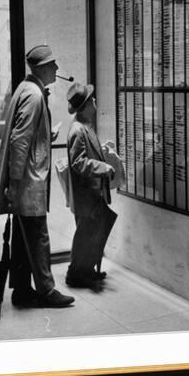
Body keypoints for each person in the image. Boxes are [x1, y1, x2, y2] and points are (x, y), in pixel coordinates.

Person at [0, 45, 75, 308]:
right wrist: (14, 186)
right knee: (38, 237)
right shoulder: (35, 96)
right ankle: (47, 291)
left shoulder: (25, 89)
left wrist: (48, 135)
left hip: (25, 181)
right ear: (43, 68)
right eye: (54, 65)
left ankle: (23, 289)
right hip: (27, 183)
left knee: (23, 239)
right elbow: (19, 141)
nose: (57, 69)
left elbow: (27, 136)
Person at [65, 83, 118, 289]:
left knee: (90, 232)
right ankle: (76, 274)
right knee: (84, 234)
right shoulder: (78, 130)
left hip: (91, 192)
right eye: (92, 100)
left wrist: (101, 151)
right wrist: (102, 166)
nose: (95, 101)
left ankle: (85, 271)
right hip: (86, 193)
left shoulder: (84, 125)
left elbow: (86, 154)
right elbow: (79, 162)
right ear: (86, 105)